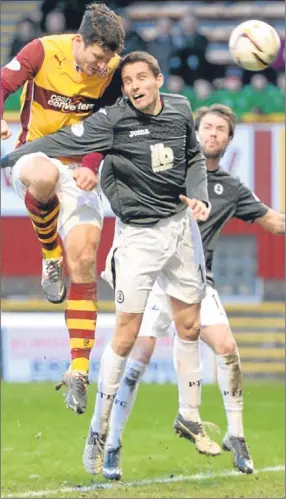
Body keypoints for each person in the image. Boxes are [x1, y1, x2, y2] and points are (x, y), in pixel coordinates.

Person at [2, 51, 215, 474]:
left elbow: (192, 156)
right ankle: (98, 431)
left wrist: (200, 195)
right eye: (128, 81)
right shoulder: (112, 119)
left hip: (180, 229)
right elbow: (65, 141)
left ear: (158, 79)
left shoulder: (181, 109)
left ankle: (189, 416)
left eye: (141, 79)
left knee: (189, 325)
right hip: (138, 236)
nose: (134, 86)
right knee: (125, 334)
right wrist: (11, 158)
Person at [97, 104, 285, 480]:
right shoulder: (170, 168)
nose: (212, 134)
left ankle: (236, 436)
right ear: (195, 132)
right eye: (207, 127)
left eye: (220, 130)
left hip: (197, 283)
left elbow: (275, 223)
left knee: (228, 348)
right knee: (139, 358)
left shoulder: (231, 189)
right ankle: (112, 444)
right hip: (154, 280)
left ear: (229, 141)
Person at [0, 2, 125, 415]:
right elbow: (2, 83)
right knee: (42, 178)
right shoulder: (41, 50)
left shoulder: (113, 70)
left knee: (87, 261)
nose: (101, 66)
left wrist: (92, 165)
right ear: (79, 41)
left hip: (80, 166)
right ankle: (50, 253)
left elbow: (111, 122)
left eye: (108, 59)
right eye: (97, 57)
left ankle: (78, 369)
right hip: (34, 156)